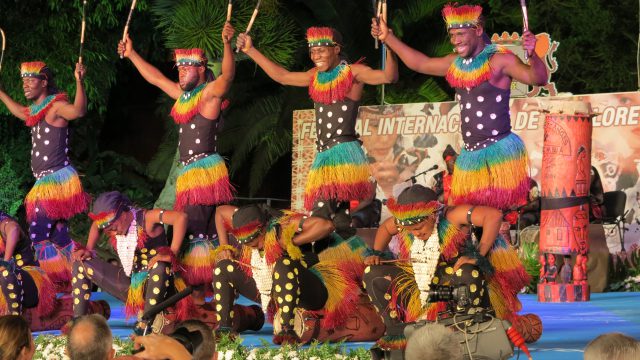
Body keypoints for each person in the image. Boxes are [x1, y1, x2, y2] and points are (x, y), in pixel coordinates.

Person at [371, 3, 548, 211]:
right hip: (470, 155)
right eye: (453, 35)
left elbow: (538, 78)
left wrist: (533, 55)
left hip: (498, 152)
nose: (455, 41)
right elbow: (420, 63)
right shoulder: (455, 63)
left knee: (496, 215)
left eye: (461, 34)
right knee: (467, 216)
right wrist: (388, 37)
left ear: (478, 30)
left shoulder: (499, 60)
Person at [236, 26, 398, 234]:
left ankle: (296, 246)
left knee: (319, 215)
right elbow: (283, 76)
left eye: (321, 50)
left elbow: (389, 77)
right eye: (312, 51)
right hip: (326, 154)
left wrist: (389, 44)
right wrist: (250, 50)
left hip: (340, 155)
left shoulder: (353, 73)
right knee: (338, 219)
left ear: (336, 49)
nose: (315, 56)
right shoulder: (315, 76)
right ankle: (341, 256)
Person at [118, 23, 237, 300]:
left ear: (202, 69)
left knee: (196, 234)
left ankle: (198, 296)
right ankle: (206, 295)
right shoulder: (186, 97)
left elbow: (228, 76)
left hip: (202, 172)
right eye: (180, 68)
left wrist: (228, 45)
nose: (181, 71)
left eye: (188, 67)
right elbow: (157, 79)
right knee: (201, 234)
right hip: (192, 173)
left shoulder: (208, 94)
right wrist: (133, 54)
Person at [362, 185, 530, 351]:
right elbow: (385, 228)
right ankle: (399, 335)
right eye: (410, 230)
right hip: (419, 285)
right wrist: (378, 254)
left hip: (454, 286)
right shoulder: (407, 219)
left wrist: (478, 254)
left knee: (468, 272)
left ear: (432, 215)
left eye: (419, 228)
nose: (416, 233)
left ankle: (466, 334)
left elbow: (493, 216)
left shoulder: (452, 216)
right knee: (372, 273)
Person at [213, 203, 365, 344]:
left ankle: (287, 330)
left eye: (256, 242)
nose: (255, 247)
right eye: (247, 244)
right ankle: (225, 329)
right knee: (223, 267)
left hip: (307, 290)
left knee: (283, 265)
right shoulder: (241, 219)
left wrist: (293, 241)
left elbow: (326, 226)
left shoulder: (284, 224)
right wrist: (224, 246)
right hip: (271, 290)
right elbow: (220, 212)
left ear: (263, 228)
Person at [0, 61, 89, 289]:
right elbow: (20, 111)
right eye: (23, 81)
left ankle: (48, 285)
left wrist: (79, 81)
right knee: (59, 236)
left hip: (55, 181)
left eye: (30, 80)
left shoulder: (56, 107)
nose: (25, 85)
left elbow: (78, 111)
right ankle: (74, 280)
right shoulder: (37, 111)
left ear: (44, 82)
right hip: (48, 181)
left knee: (38, 235)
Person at [71, 192, 192, 327]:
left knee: (160, 265)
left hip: (162, 287)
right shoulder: (112, 225)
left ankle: (148, 322)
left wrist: (172, 252)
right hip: (134, 286)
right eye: (108, 231)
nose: (112, 233)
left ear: (123, 215)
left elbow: (181, 217)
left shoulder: (148, 218)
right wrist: (88, 249)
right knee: (80, 262)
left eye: (113, 228)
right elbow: (95, 225)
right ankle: (78, 324)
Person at [0, 211, 55, 317]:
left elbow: (14, 229)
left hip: (29, 281)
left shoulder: (4, 223)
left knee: (7, 273)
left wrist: (5, 262)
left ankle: (15, 324)